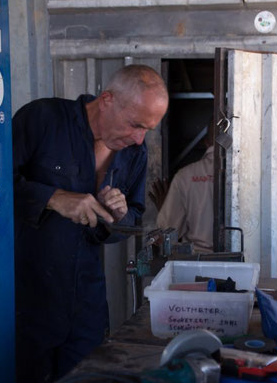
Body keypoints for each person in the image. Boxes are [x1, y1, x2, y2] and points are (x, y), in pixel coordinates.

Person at [12, 65, 168, 382]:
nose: (139, 139)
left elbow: (132, 220)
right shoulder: (42, 119)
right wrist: (53, 197)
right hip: (27, 298)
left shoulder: (134, 153)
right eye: (135, 125)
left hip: (86, 301)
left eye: (147, 130)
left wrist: (119, 215)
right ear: (107, 100)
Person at [151, 127, 214, 253]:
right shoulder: (249, 177)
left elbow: (165, 235)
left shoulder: (185, 176)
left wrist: (165, 209)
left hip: (197, 261)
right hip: (245, 261)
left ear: (205, 142)